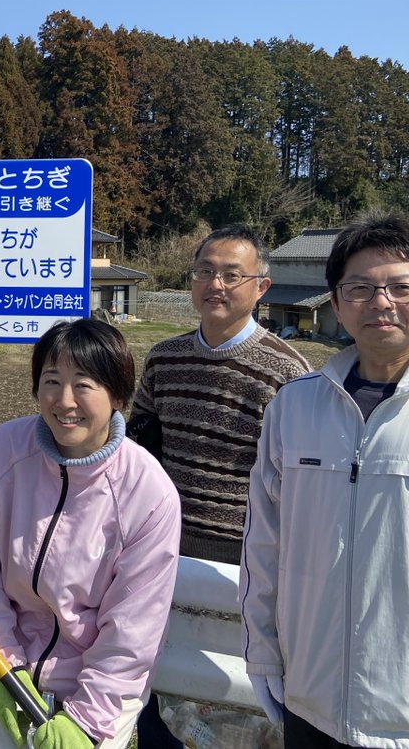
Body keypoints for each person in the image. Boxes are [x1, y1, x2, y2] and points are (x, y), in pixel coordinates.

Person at [241, 214, 409, 748]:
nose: (381, 302)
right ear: (336, 304)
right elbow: (263, 545)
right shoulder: (293, 406)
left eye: (402, 287)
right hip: (307, 701)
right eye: (360, 288)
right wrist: (262, 654)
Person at [0, 318, 181, 749]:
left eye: (83, 384)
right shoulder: (3, 452)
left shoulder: (148, 493)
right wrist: (5, 668)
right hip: (16, 677)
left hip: (102, 695)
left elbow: (132, 630)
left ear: (118, 395)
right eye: (51, 381)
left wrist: (85, 720)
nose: (64, 401)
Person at [130, 224, 308, 746]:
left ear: (261, 287)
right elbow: (140, 452)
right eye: (205, 271)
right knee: (158, 692)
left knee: (232, 706)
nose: (216, 284)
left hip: (243, 562)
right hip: (162, 551)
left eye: (232, 275)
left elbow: (296, 487)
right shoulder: (164, 359)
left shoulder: (288, 374)